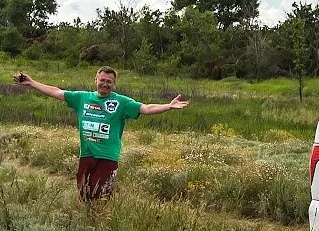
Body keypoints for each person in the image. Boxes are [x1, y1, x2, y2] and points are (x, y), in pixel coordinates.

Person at [12, 66, 190, 200]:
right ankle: (89, 222)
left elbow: (145, 108)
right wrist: (32, 83)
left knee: (102, 195)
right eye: (102, 80)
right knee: (84, 194)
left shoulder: (121, 102)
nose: (105, 83)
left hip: (108, 156)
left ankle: (103, 224)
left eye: (109, 81)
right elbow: (57, 92)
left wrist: (168, 106)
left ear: (114, 84)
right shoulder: (82, 98)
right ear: (96, 80)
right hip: (86, 154)